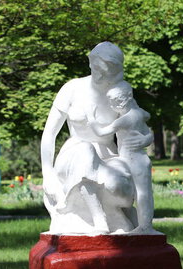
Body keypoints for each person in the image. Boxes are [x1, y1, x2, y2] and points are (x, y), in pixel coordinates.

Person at [40, 42, 152, 234]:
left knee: (119, 187)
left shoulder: (119, 94)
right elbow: (49, 133)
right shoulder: (72, 88)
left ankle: (119, 220)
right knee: (86, 150)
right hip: (73, 154)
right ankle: (99, 220)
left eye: (106, 71)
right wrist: (47, 172)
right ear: (91, 63)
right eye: (97, 68)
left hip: (108, 157)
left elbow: (137, 121)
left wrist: (144, 140)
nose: (99, 75)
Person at [87, 81, 159, 234]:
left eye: (113, 103)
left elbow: (102, 132)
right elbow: (147, 124)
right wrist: (146, 139)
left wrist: (91, 119)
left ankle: (145, 227)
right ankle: (144, 225)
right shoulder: (139, 114)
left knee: (142, 194)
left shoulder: (125, 119)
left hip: (134, 161)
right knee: (143, 193)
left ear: (122, 102)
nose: (112, 106)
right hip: (138, 159)